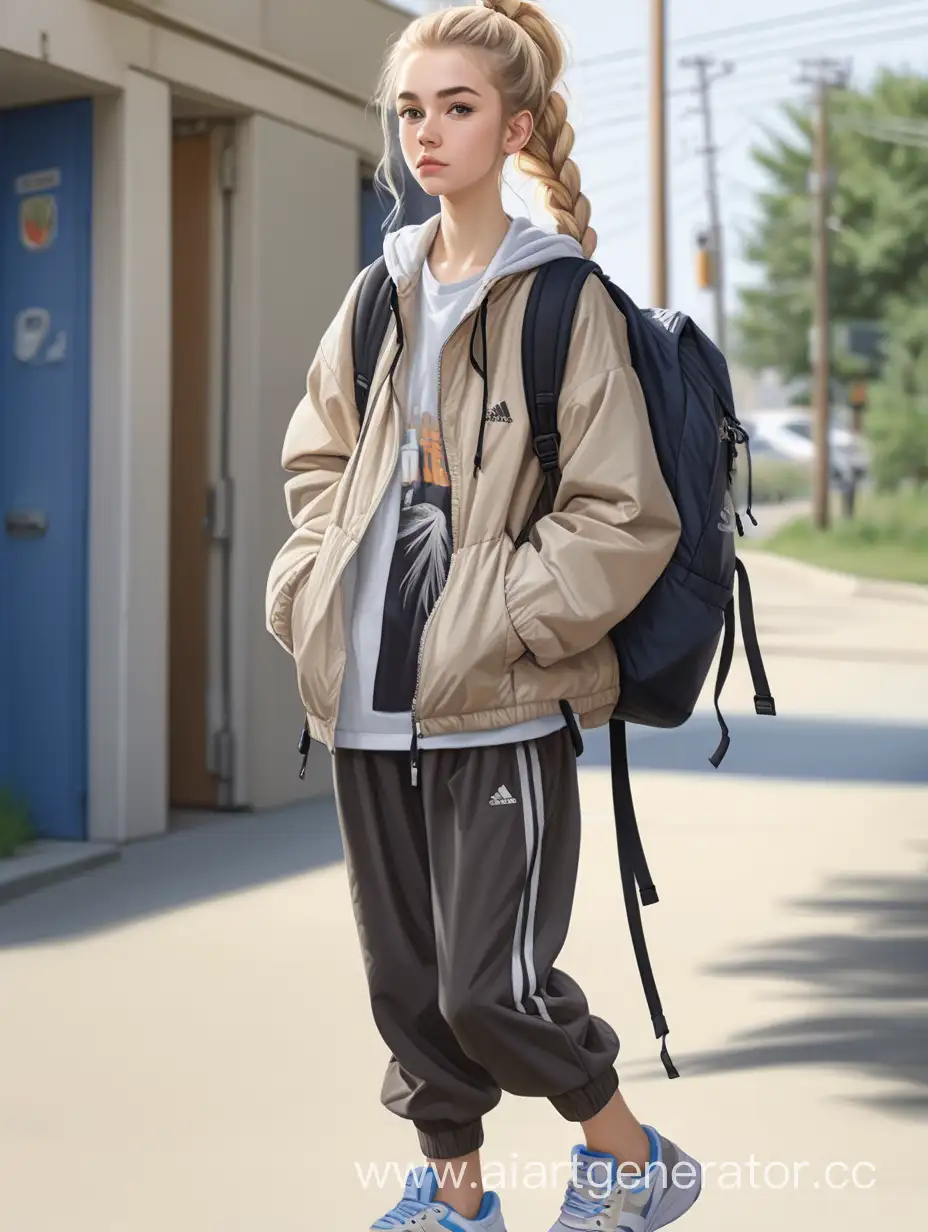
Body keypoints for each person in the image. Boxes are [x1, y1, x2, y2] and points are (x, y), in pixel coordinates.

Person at [265, 3, 702, 1229]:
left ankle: (633, 1158)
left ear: (513, 127)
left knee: (485, 988)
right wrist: (308, 586)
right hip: (366, 693)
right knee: (406, 983)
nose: (426, 132)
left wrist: (499, 617)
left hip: (499, 692)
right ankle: (459, 1204)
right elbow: (320, 462)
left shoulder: (564, 302)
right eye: (411, 108)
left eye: (455, 107)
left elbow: (624, 516)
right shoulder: (378, 291)